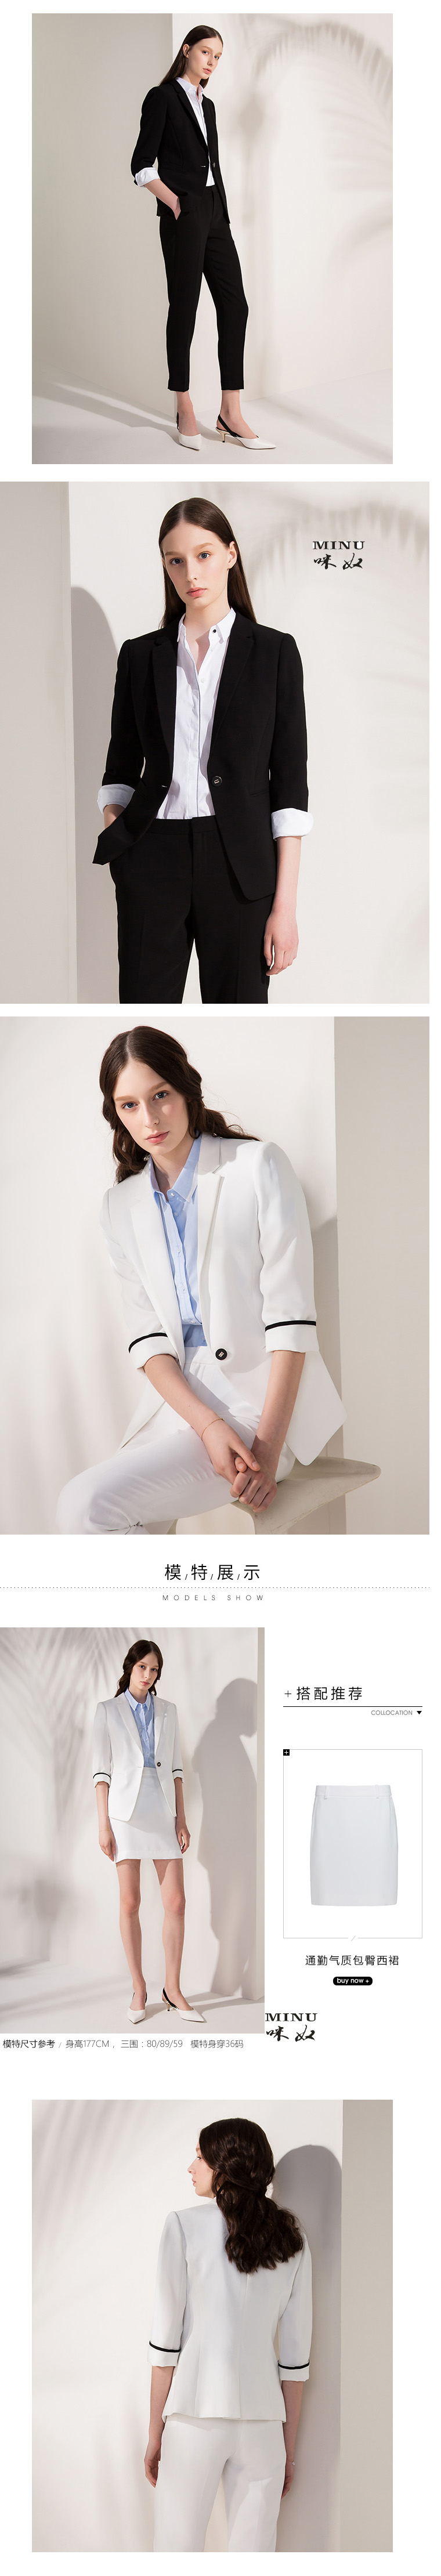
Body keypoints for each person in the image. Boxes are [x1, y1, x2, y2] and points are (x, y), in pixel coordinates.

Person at [56, 1026, 345, 1535]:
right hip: (178, 1406)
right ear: (116, 1115)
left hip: (259, 1408)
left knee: (84, 1507)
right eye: (129, 1105)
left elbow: (292, 1322)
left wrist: (267, 1451)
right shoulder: (120, 1207)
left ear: (187, 1089)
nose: (149, 1119)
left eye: (160, 1095)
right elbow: (149, 1342)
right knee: (89, 1521)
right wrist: (206, 1424)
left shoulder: (257, 1166)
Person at [93, 495, 312, 1004]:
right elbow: (120, 767)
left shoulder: (274, 653)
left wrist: (285, 908)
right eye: (176, 560)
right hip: (153, 857)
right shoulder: (140, 656)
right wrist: (123, 847)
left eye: (204, 555)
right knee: (145, 1007)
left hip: (240, 865)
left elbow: (289, 790)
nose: (191, 573)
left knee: (239, 1008)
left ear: (231, 554)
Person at [144, 2115, 312, 2552]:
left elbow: (165, 2348)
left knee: (176, 2550)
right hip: (264, 2426)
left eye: (200, 2158)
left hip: (195, 2416)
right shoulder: (292, 2238)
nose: (191, 2167)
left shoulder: (182, 2226)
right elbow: (295, 2363)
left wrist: (155, 2433)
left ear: (224, 2166)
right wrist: (288, 2450)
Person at [131, 27, 273, 450]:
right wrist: (176, 203)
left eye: (218, 56)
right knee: (185, 307)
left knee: (235, 304)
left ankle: (231, 412)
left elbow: (210, 164)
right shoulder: (162, 98)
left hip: (215, 212)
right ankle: (184, 404)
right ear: (187, 50)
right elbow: (141, 165)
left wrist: (219, 208)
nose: (212, 61)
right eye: (206, 52)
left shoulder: (207, 105)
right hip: (185, 213)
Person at [93, 1638, 204, 2024]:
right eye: (143, 1667)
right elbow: (101, 1773)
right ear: (131, 1667)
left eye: (154, 1670)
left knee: (176, 1903)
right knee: (130, 1902)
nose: (148, 1675)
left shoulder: (169, 1711)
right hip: (124, 1815)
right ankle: (139, 1988)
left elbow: (176, 1769)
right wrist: (104, 1825)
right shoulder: (107, 1710)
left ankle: (172, 1989)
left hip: (163, 1811)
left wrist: (181, 1819)